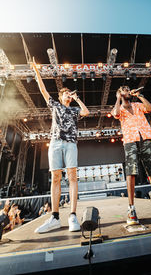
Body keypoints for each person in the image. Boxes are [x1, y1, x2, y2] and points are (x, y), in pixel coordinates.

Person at [32, 59, 89, 233]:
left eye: (70, 94)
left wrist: (78, 99)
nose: (69, 95)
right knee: (55, 177)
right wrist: (36, 71)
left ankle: (72, 215)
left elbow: (86, 112)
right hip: (55, 143)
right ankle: (55, 217)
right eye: (66, 93)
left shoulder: (74, 110)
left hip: (71, 143)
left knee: (72, 176)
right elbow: (42, 89)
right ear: (61, 96)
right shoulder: (55, 105)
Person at [111, 86, 151, 225]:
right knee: (131, 173)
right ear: (119, 93)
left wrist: (140, 95)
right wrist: (118, 98)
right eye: (124, 89)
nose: (127, 90)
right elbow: (115, 113)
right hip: (130, 141)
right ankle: (131, 208)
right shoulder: (119, 108)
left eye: (128, 89)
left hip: (145, 138)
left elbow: (149, 109)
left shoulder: (137, 104)